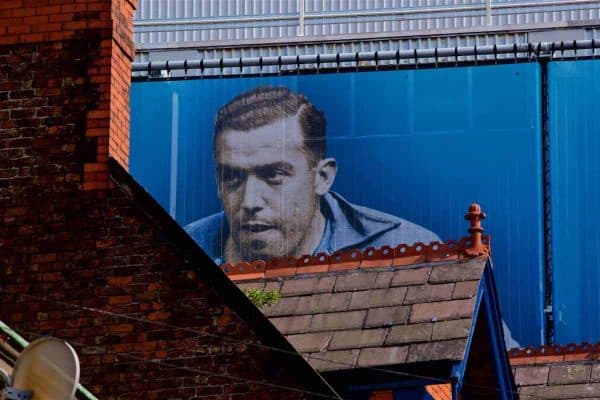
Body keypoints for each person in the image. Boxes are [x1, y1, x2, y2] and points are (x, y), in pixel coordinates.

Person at [185, 86, 440, 265]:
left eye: (274, 174)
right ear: (218, 183)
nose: (250, 201)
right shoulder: (180, 252)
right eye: (233, 178)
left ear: (322, 177)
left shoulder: (405, 249)